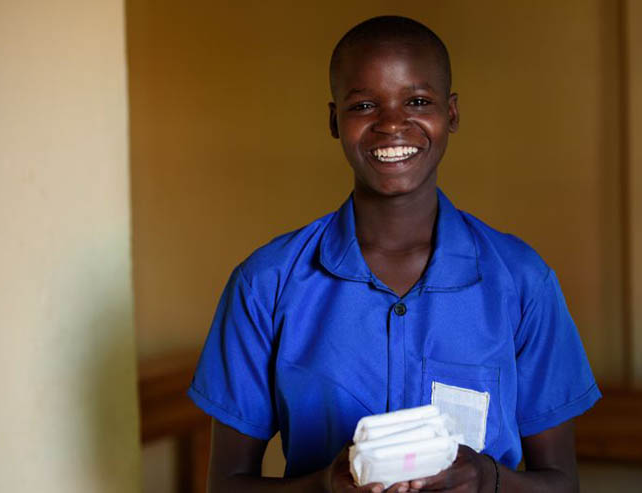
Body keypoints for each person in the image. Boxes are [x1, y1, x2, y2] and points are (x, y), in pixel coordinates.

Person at [188, 15, 600, 493]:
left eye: (418, 101)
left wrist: (486, 477)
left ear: (452, 113)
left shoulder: (522, 281)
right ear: (333, 120)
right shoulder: (265, 284)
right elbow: (226, 484)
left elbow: (561, 483)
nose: (391, 124)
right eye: (364, 104)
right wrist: (325, 486)